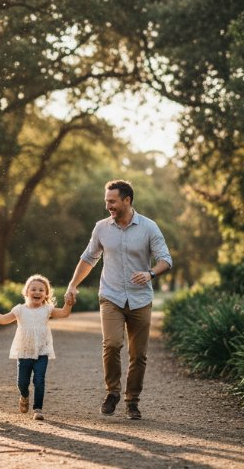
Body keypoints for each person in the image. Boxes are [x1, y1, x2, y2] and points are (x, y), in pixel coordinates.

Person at [64, 180, 172, 421]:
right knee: (112, 344)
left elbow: (166, 259)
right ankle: (112, 392)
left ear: (127, 200)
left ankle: (132, 400)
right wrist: (73, 284)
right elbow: (88, 258)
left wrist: (150, 273)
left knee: (138, 354)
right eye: (106, 201)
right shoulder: (101, 228)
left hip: (140, 298)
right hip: (111, 296)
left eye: (112, 201)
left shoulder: (149, 227)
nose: (108, 206)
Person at [0, 274, 75, 421]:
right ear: (26, 292)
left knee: (39, 380)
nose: (37, 292)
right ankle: (24, 396)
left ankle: (38, 408)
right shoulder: (19, 310)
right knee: (22, 382)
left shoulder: (47, 309)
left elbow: (64, 313)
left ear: (46, 294)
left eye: (41, 290)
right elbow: (3, 319)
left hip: (41, 351)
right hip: (24, 351)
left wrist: (69, 303)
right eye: (33, 289)